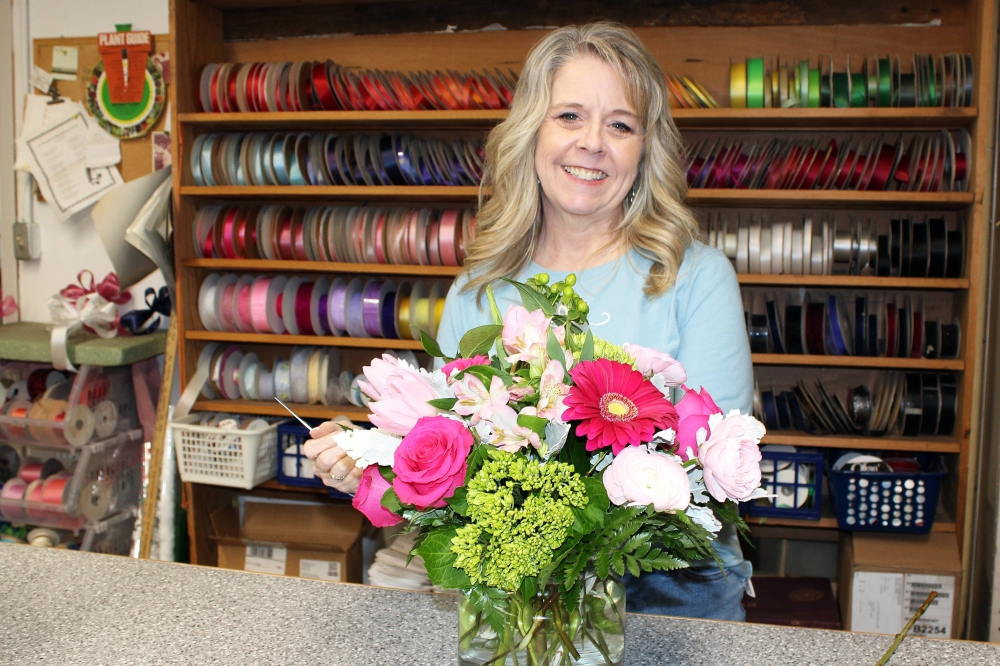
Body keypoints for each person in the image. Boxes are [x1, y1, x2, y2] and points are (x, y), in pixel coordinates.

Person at [303, 21, 754, 621]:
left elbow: (714, 473)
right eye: (569, 116)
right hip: (522, 600)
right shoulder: (479, 290)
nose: (592, 142)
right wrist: (371, 456)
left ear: (646, 149)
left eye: (620, 124)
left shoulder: (695, 279)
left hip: (674, 595)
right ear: (531, 131)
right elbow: (451, 465)